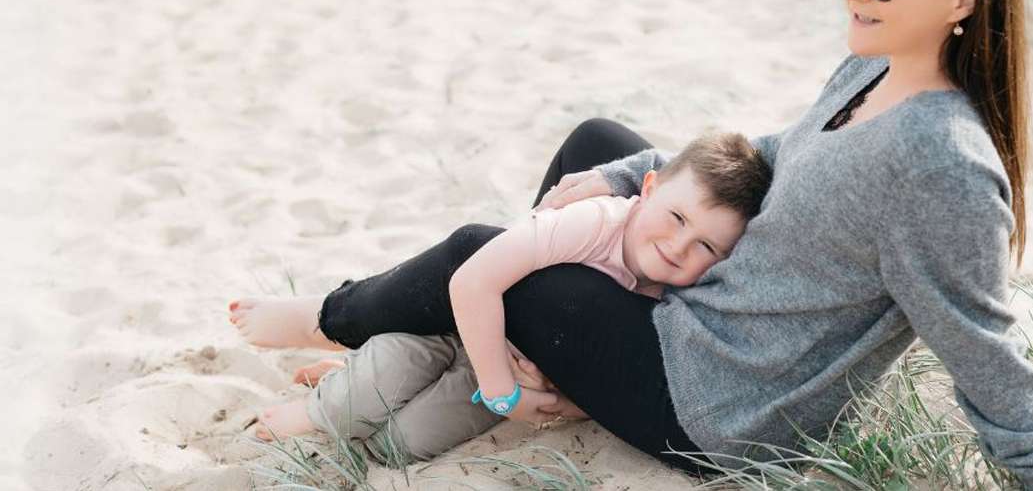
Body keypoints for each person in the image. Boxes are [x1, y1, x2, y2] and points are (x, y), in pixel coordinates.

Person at [230, 0, 1033, 488]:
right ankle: (495, 359)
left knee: (481, 252)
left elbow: (983, 349)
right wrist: (624, 178)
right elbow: (776, 155)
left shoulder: (941, 166)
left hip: (720, 403)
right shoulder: (875, 68)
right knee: (595, 146)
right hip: (698, 309)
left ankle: (336, 319)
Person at [234, 133, 772, 462]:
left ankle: (342, 378)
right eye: (676, 218)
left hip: (504, 370)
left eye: (707, 246)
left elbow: (609, 374)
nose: (679, 246)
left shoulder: (676, 297)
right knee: (383, 377)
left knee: (405, 443)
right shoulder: (594, 222)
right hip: (461, 324)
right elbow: (472, 279)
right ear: (647, 189)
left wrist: (550, 397)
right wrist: (504, 396)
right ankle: (315, 409)